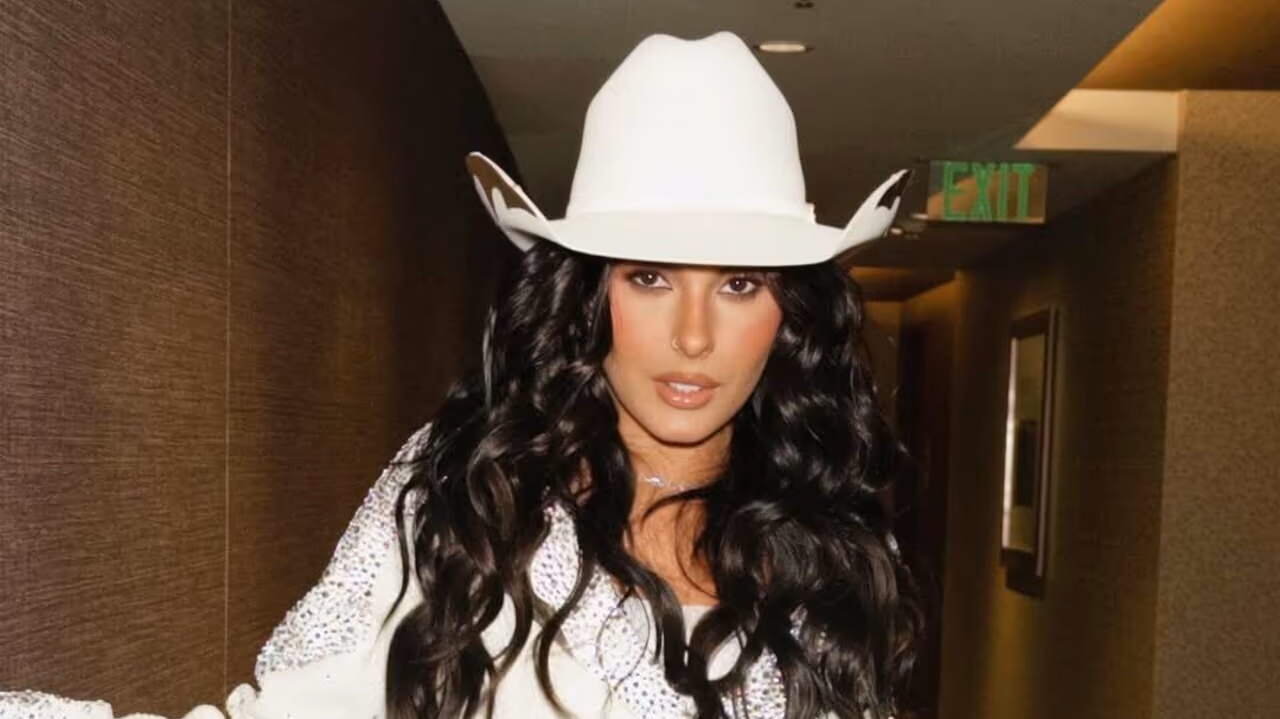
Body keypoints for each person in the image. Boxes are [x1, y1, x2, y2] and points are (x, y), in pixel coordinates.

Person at [1, 30, 922, 719]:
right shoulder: (471, 500)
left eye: (738, 283)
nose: (692, 335)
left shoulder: (828, 552)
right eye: (648, 276)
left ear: (789, 313)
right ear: (589, 295)